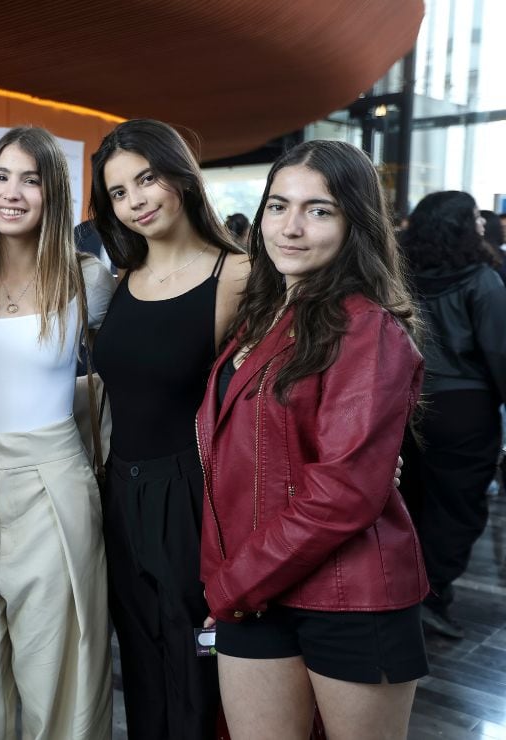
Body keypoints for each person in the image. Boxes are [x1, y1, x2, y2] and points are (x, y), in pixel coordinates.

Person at [197, 139, 428, 740]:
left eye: (319, 210)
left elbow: (346, 491)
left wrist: (232, 584)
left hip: (348, 592)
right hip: (259, 586)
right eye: (278, 206)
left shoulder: (368, 327)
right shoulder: (265, 315)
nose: (291, 227)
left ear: (355, 223)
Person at [0, 126, 115, 739]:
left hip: (53, 485)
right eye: (0, 176)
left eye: (30, 180)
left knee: (56, 672)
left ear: (54, 193)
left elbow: (128, 371)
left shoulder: (87, 279)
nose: (11, 193)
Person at [89, 118, 247, 739]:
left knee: (196, 657)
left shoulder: (235, 276)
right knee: (141, 655)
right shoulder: (120, 282)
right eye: (119, 193)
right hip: (120, 490)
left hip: (193, 494)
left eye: (146, 179)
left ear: (180, 175)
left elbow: (276, 392)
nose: (136, 202)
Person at [398, 192, 506, 640]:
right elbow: (499, 351)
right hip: (465, 409)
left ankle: (407, 595)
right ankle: (431, 594)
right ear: (461, 226)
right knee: (459, 508)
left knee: (414, 504)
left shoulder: (401, 277)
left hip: (407, 406)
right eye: (475, 218)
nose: (484, 224)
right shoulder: (483, 280)